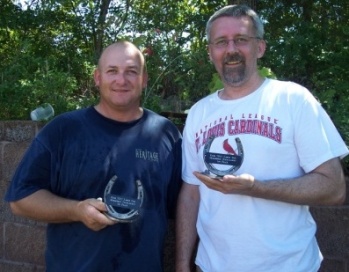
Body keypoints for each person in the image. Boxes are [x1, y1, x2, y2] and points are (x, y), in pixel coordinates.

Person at [176, 5, 348, 272]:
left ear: (260, 48)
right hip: (211, 266)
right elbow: (191, 193)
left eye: (241, 39)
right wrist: (182, 263)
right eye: (221, 42)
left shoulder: (292, 99)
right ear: (211, 52)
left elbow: (334, 187)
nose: (231, 49)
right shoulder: (199, 113)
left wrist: (257, 188)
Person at [5, 41, 182, 271]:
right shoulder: (63, 130)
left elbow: (180, 207)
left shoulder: (166, 135)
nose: (121, 80)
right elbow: (20, 200)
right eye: (112, 71)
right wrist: (76, 210)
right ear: (97, 77)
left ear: (144, 79)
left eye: (131, 72)